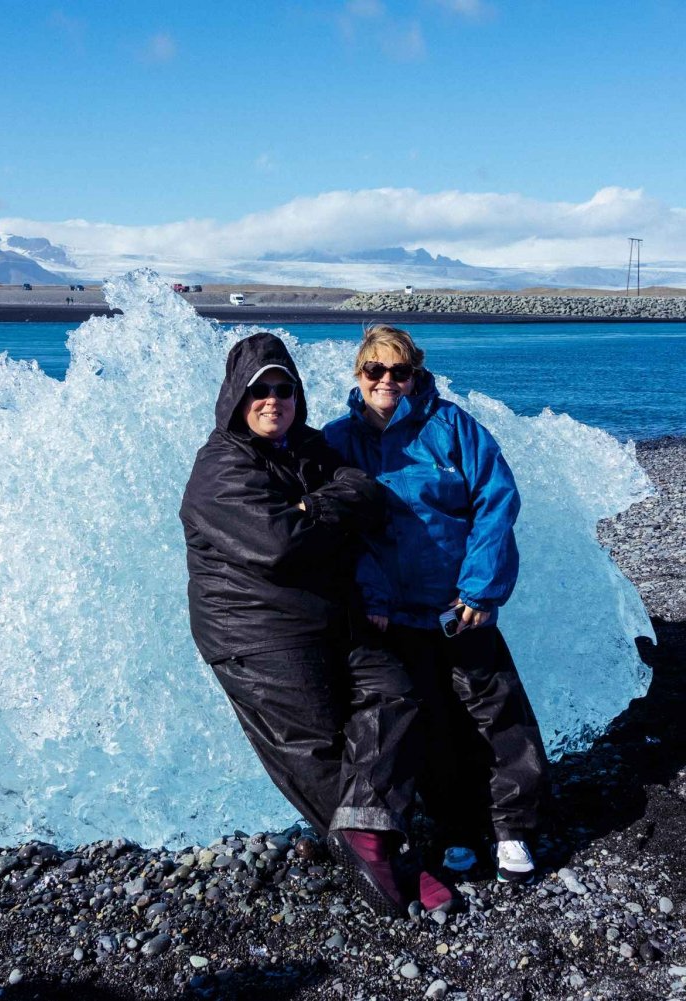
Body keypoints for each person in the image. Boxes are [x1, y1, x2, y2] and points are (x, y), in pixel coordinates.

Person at [180, 331, 455, 915]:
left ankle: (369, 835)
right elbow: (280, 544)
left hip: (328, 612)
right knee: (314, 746)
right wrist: (319, 511)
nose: (273, 401)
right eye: (260, 390)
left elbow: (367, 492)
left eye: (284, 389)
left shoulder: (306, 446)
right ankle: (397, 863)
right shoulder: (219, 469)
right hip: (252, 630)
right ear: (236, 397)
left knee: (396, 694)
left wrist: (316, 505)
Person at [323, 324, 551, 883]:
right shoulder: (338, 442)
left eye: (399, 371)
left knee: (498, 715)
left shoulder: (454, 428)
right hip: (393, 614)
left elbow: (496, 502)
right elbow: (342, 531)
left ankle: (512, 828)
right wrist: (369, 596)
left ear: (416, 373)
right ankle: (454, 829)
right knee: (430, 726)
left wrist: (480, 587)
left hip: (457, 606)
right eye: (375, 370)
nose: (387, 381)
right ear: (359, 375)